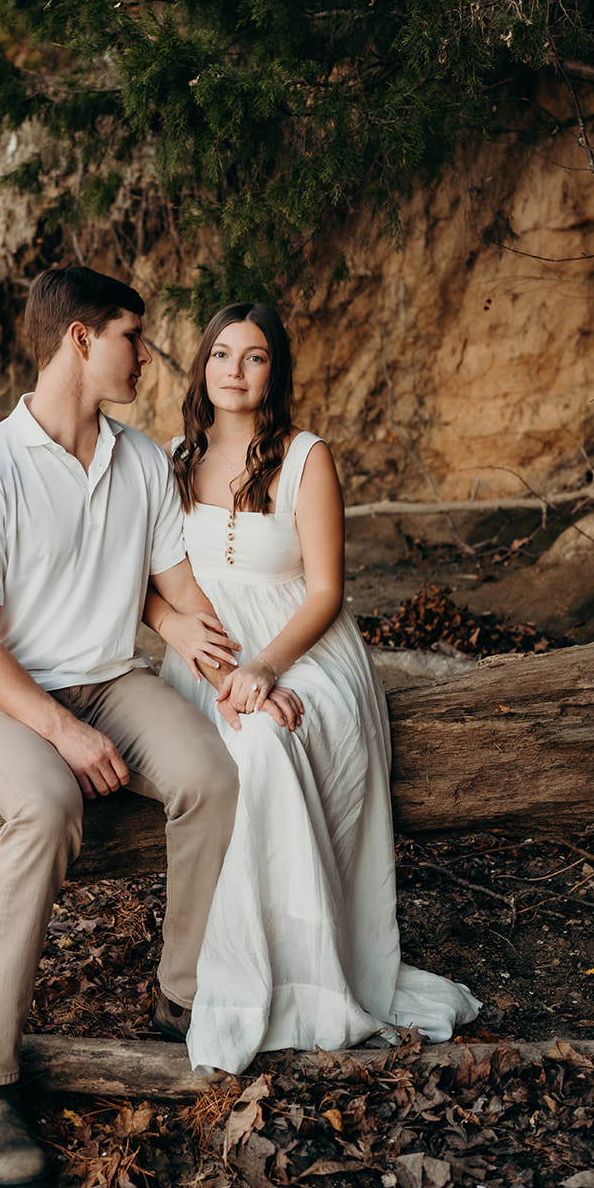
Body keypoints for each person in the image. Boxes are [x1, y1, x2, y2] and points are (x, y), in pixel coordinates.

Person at [0, 266, 240, 1188]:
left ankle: (178, 1001)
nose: (146, 357)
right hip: (5, 697)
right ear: (78, 340)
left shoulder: (140, 460)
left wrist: (228, 660)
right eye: (131, 339)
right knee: (46, 805)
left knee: (212, 777)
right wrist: (61, 732)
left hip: (113, 679)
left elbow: (176, 595)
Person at [144, 302, 480, 1075]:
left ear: (274, 372)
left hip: (302, 650)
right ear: (201, 367)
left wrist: (264, 669)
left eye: (253, 356)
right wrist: (191, 642)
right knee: (230, 747)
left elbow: (325, 591)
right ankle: (227, 966)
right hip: (201, 661)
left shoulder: (305, 457)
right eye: (221, 354)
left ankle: (289, 978)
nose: (234, 370)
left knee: (264, 740)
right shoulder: (169, 457)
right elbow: (148, 590)